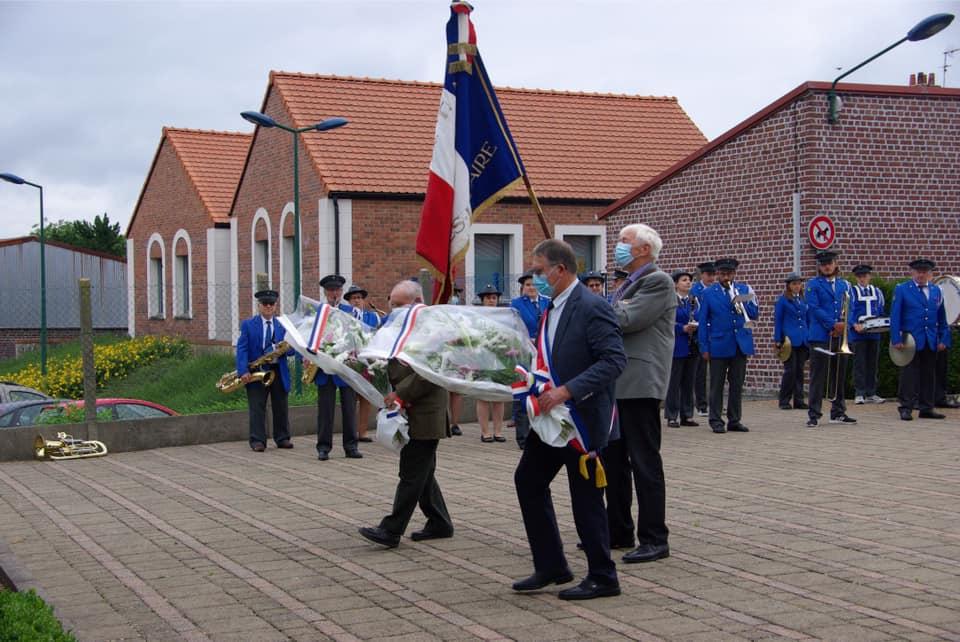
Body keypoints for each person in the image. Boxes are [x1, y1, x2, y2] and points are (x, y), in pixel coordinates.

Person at [513, 239, 626, 601]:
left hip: (582, 418)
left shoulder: (592, 306)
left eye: (539, 270)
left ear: (560, 270)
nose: (535, 278)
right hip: (552, 418)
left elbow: (614, 361)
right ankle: (552, 566)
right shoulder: (552, 307)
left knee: (586, 498)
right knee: (528, 480)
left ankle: (603, 576)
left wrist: (567, 391)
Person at [359, 280, 454, 548]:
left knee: (412, 472)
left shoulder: (433, 329)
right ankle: (440, 522)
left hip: (426, 411)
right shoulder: (400, 326)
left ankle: (391, 530)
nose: (395, 310)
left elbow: (429, 372)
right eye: (392, 305)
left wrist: (401, 394)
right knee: (423, 472)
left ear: (418, 302)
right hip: (409, 410)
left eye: (400, 305)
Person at [607, 223, 675, 564]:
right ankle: (618, 530)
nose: (618, 246)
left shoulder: (657, 281)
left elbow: (627, 319)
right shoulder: (627, 284)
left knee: (644, 462)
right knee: (614, 461)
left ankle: (654, 538)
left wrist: (589, 303)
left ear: (644, 249)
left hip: (640, 384)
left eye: (624, 241)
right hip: (618, 383)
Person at [697, 257, 757, 434]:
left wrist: (741, 301)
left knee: (737, 384)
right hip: (718, 343)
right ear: (718, 274)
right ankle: (716, 420)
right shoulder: (709, 293)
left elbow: (754, 313)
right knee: (717, 384)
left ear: (734, 273)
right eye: (723, 274)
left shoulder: (744, 290)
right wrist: (704, 346)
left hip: (740, 343)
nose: (726, 277)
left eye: (729, 274)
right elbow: (703, 321)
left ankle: (734, 419)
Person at [890, 258, 949, 421]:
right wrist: (896, 338)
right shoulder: (902, 289)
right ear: (912, 272)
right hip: (910, 340)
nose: (921, 275)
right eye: (918, 272)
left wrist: (944, 338)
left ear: (930, 274)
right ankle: (906, 407)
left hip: (930, 338)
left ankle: (926, 407)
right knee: (909, 375)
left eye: (924, 272)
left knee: (929, 374)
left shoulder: (936, 291)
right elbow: (895, 315)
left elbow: (942, 317)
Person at [235, 289, 293, 452]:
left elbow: (292, 350)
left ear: (275, 306)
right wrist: (243, 371)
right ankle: (257, 440)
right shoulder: (248, 324)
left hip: (278, 369)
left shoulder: (283, 325)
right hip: (257, 370)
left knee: (281, 405)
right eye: (265, 304)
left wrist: (285, 349)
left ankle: (282, 438)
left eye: (271, 304)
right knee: (257, 406)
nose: (268, 306)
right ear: (259, 305)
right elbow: (242, 348)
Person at [805, 251, 856, 428]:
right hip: (820, 335)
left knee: (839, 374)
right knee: (818, 375)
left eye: (830, 263)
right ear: (819, 267)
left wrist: (845, 324)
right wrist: (833, 325)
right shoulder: (813, 284)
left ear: (835, 264)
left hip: (840, 335)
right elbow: (814, 308)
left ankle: (838, 412)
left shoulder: (845, 285)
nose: (827, 266)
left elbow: (852, 307)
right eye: (823, 264)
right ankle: (814, 414)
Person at [315, 274, 362, 460]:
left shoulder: (350, 312)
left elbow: (357, 335)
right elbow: (310, 336)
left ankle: (351, 446)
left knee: (349, 408)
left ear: (342, 292)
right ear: (325, 292)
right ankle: (323, 447)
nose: (334, 293)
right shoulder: (319, 311)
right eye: (330, 290)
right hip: (324, 367)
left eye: (337, 290)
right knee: (325, 410)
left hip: (346, 366)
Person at [510, 272, 551, 449]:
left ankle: (542, 433)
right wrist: (526, 341)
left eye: (534, 284)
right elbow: (513, 328)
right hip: (525, 352)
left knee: (542, 389)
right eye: (528, 285)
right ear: (522, 288)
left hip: (544, 353)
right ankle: (523, 437)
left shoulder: (547, 301)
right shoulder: (516, 304)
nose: (531, 287)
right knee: (523, 392)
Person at [344, 284, 382, 442]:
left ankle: (363, 431)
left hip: (367, 361)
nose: (357, 301)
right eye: (353, 298)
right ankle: (351, 432)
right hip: (349, 361)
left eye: (359, 298)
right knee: (350, 399)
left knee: (366, 396)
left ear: (364, 300)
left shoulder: (373, 317)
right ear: (349, 301)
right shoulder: (344, 316)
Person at [664, 269, 699, 428]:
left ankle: (687, 415)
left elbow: (699, 316)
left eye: (689, 280)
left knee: (689, 382)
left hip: (692, 345)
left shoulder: (693, 300)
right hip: (677, 344)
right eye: (684, 280)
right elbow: (665, 321)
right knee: (674, 382)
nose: (688, 282)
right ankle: (672, 415)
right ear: (676, 284)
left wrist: (696, 325)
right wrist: (681, 328)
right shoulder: (670, 301)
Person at [848, 265, 886, 405]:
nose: (862, 279)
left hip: (874, 333)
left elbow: (880, 309)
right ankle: (859, 393)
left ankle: (871, 392)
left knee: (872, 363)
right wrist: (854, 324)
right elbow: (848, 311)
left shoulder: (877, 292)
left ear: (869, 276)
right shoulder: (852, 292)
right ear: (856, 278)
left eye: (865, 276)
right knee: (859, 363)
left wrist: (882, 323)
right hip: (858, 334)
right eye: (859, 276)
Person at [475, 283, 506, 442]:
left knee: (499, 396)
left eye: (494, 297)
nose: (491, 300)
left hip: (500, 359)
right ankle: (485, 431)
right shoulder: (476, 317)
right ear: (482, 300)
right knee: (483, 396)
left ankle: (498, 431)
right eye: (488, 298)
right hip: (482, 358)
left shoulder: (503, 316)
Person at [774, 273, 809, 410]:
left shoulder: (803, 300)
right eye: (794, 284)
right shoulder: (783, 301)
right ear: (788, 285)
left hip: (803, 339)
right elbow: (778, 321)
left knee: (800, 370)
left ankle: (799, 400)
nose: (797, 286)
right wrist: (778, 339)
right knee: (790, 370)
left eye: (799, 284)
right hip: (789, 339)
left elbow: (807, 319)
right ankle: (784, 400)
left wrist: (809, 335)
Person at [690, 262, 716, 417]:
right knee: (700, 372)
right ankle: (701, 404)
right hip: (700, 332)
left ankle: (715, 403)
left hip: (715, 333)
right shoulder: (694, 291)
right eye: (709, 275)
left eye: (713, 275)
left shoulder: (716, 290)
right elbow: (694, 312)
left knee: (717, 371)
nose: (711, 278)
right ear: (702, 275)